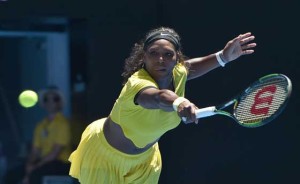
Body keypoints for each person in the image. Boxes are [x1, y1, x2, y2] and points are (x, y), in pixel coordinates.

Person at [69, 27, 256, 183]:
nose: (161, 60)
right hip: (105, 159)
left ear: (177, 58)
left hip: (145, 163)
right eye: (154, 53)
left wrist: (223, 57)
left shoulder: (178, 72)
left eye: (168, 54)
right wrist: (179, 102)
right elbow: (158, 97)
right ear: (144, 57)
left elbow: (190, 68)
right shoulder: (137, 84)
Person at [4, 86, 72, 184]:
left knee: (35, 175)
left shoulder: (63, 124)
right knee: (12, 174)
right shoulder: (40, 126)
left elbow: (55, 153)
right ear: (43, 104)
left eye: (55, 99)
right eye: (46, 99)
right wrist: (29, 164)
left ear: (59, 103)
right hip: (43, 162)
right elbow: (35, 151)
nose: (50, 102)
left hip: (60, 163)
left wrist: (35, 167)